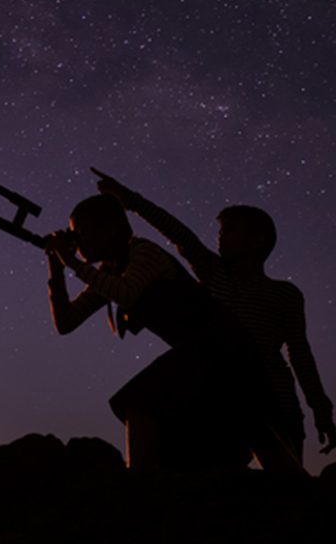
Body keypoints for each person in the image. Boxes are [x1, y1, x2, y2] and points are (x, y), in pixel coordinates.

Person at [90, 169, 335, 464]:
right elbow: (180, 234)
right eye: (220, 231)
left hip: (276, 398)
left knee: (288, 484)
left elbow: (299, 352)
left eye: (230, 230)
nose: (220, 237)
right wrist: (129, 200)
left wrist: (320, 409)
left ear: (257, 241)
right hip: (222, 396)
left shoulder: (285, 294)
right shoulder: (213, 273)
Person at [45, 193, 276, 470]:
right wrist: (56, 270)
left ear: (111, 229)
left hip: (223, 349)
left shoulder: (144, 252)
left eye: (80, 232)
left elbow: (127, 294)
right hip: (207, 356)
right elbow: (67, 322)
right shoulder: (111, 272)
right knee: (249, 435)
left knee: (139, 402)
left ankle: (140, 488)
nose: (76, 241)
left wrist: (72, 263)